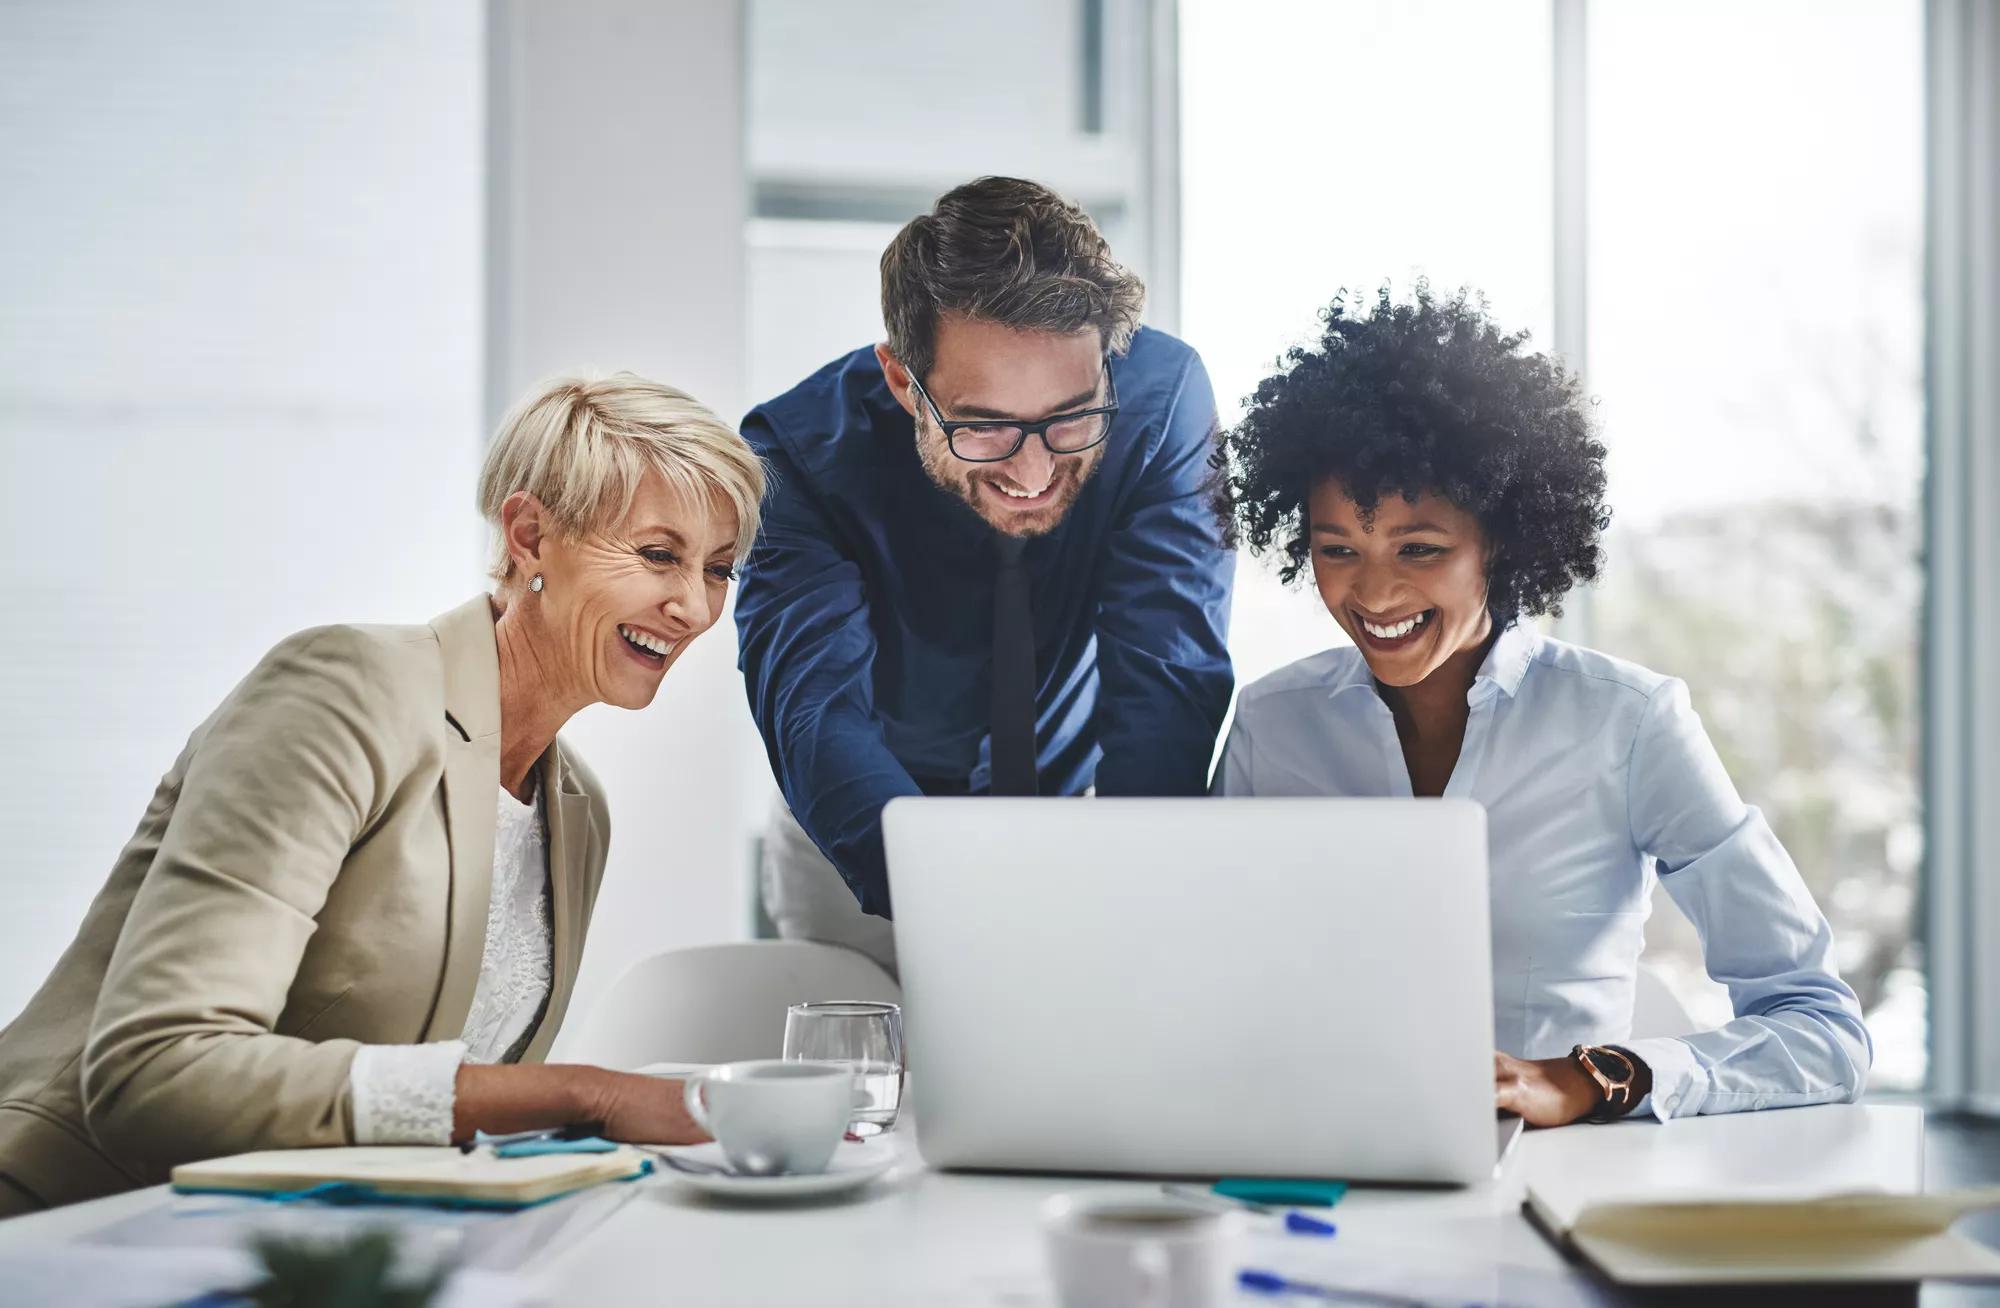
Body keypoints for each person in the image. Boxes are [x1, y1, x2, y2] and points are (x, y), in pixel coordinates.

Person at [0, 373, 765, 1215]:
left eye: (719, 569)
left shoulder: (579, 809)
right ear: (529, 534)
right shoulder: (346, 689)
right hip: (69, 1230)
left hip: (320, 1255)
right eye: (659, 554)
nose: (694, 606)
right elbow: (157, 1070)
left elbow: (441, 1124)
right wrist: (584, 1094)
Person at [1214, 286, 1871, 1125]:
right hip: (1318, 1159)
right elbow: (1212, 983)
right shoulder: (1275, 725)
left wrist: (1585, 1079)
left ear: (1503, 539)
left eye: (1420, 548)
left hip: (1554, 1184)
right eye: (1336, 549)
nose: (1372, 591)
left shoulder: (1629, 723)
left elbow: (1822, 1028)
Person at [736, 177, 1234, 970]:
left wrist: (1143, 891)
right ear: (904, 380)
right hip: (863, 848)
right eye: (986, 426)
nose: (1033, 468)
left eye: (1070, 416)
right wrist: (969, 901)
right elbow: (818, 718)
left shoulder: (1163, 400)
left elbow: (1168, 677)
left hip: (1080, 819)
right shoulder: (792, 455)